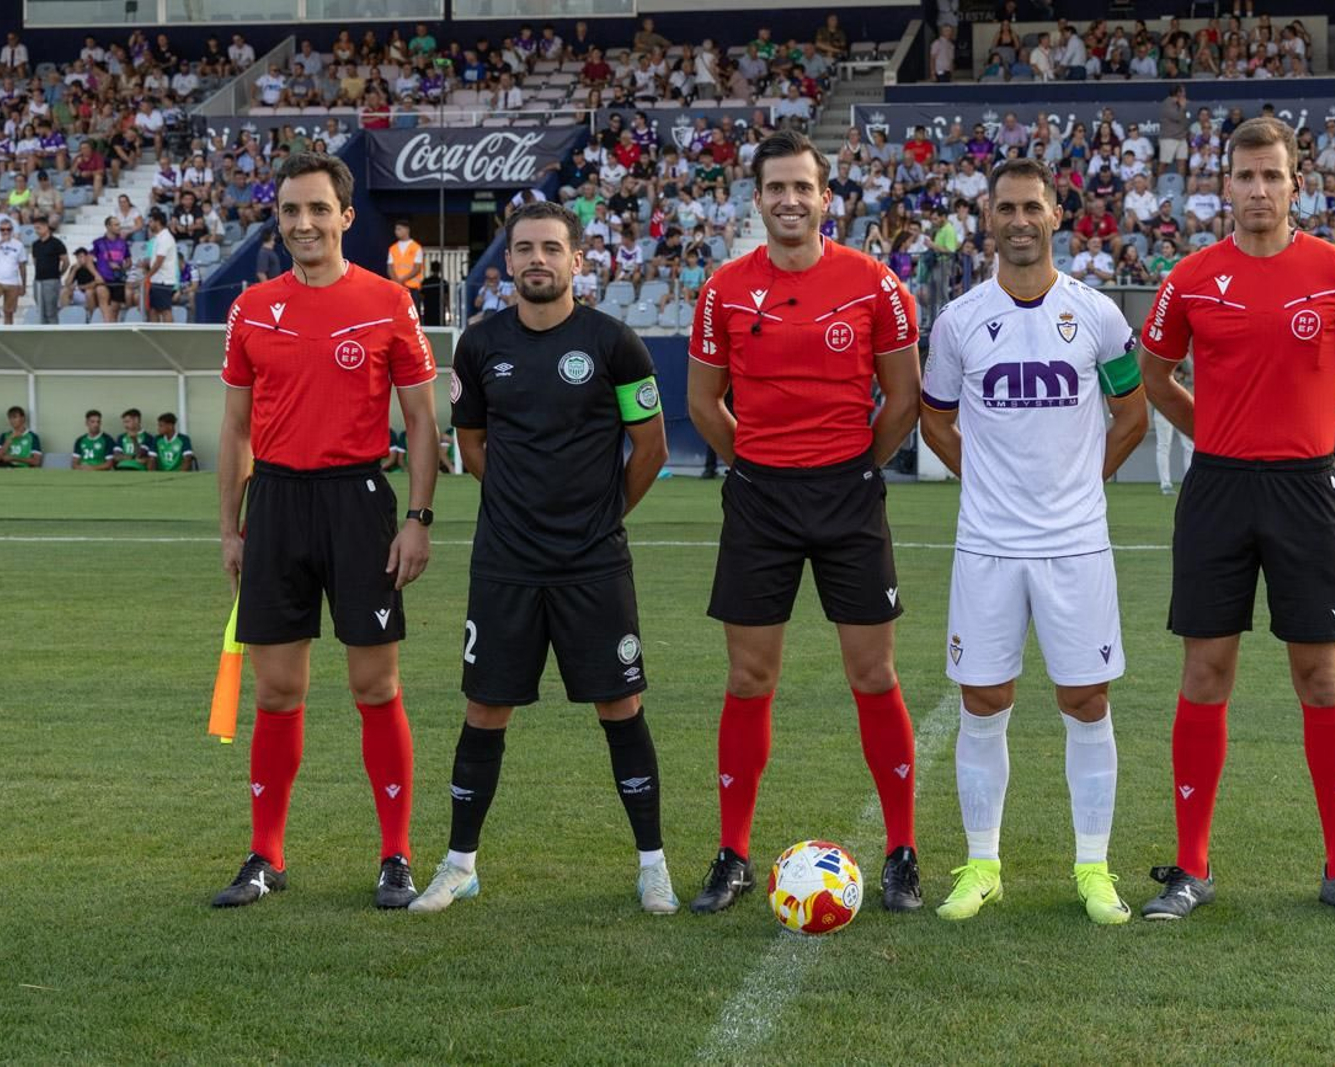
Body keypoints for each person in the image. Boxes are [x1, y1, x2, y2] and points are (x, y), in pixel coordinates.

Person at [1138, 117, 1335, 924]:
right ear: (1224, 184)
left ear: (1297, 184)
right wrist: (1216, 437)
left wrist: (1328, 437)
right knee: (1205, 673)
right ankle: (1190, 868)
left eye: (1273, 176)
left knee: (1321, 675)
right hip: (1218, 490)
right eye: (1245, 176)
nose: (1258, 190)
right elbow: (1155, 377)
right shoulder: (1190, 277)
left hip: (1306, 490)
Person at [408, 202, 675, 915]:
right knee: (485, 706)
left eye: (551, 248)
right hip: (507, 564)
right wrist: (523, 512)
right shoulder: (479, 345)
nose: (537, 260)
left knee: (620, 704)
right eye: (524, 248)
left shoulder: (615, 344)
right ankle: (460, 862)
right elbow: (472, 445)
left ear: (576, 261)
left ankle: (653, 866)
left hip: (593, 565)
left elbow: (651, 449)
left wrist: (599, 516)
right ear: (508, 263)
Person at [685, 130, 924, 914]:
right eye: (776, 188)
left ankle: (902, 849)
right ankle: (733, 851)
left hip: (848, 495)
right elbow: (702, 404)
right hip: (760, 500)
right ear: (757, 199)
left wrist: (856, 463)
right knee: (751, 677)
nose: (790, 200)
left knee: (873, 674)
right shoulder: (723, 287)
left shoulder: (875, 284)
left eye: (803, 188)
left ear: (827, 198)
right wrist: (756, 460)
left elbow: (903, 401)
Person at [919, 157, 1147, 925]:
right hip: (987, 543)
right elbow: (937, 420)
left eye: (1032, 207)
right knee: (983, 698)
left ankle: (1094, 867)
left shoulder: (1101, 316)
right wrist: (981, 481)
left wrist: (1086, 482)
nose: (1019, 220)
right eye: (1006, 208)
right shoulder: (956, 322)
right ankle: (983, 863)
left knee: (1085, 700)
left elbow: (1135, 415)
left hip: (1076, 544)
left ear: (1056, 216)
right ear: (988, 219)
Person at [212, 152, 440, 910]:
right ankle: (264, 854)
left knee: (375, 684)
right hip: (275, 503)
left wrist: (416, 519)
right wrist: (231, 527)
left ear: (346, 216)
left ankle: (396, 854)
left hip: (358, 501)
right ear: (277, 221)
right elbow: (237, 428)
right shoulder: (251, 307)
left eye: (317, 209)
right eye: (289, 212)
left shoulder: (386, 302)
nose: (303, 223)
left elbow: (419, 420)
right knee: (276, 691)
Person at [1153, 359, 1196, 493]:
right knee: (1164, 445)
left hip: (1181, 404)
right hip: (1163, 405)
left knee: (1189, 444)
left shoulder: (1183, 359)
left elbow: (1191, 371)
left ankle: (1190, 482)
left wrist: (1182, 363)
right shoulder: (1160, 360)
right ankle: (1165, 484)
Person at [0, 218, 26, 325]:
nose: (5, 231)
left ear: (12, 230)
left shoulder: (18, 245)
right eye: (2, 229)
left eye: (8, 229)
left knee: (9, 312)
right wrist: (0, 241)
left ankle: (7, 334)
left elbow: (22, 266)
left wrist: (23, 285)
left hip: (13, 282)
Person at [143, 208, 179, 324]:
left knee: (165, 310)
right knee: (154, 310)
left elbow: (159, 262)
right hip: (158, 279)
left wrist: (147, 276)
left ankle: (170, 335)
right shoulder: (160, 237)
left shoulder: (165, 238)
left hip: (163, 280)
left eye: (151, 221)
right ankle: (156, 335)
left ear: (157, 222)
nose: (149, 224)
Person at [30, 218, 68, 325]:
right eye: (35, 228)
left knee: (51, 311)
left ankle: (54, 334)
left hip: (51, 280)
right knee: (40, 310)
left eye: (39, 228)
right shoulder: (36, 244)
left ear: (46, 227)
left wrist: (59, 274)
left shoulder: (56, 243)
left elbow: (65, 261)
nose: (37, 231)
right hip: (38, 280)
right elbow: (35, 261)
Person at [387, 218, 424, 313]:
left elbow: (417, 268)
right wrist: (397, 281)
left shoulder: (416, 247)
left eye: (399, 229)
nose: (396, 232)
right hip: (397, 287)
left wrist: (401, 280)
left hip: (412, 287)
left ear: (407, 229)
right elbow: (390, 268)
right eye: (395, 229)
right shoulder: (393, 248)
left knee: (412, 313)